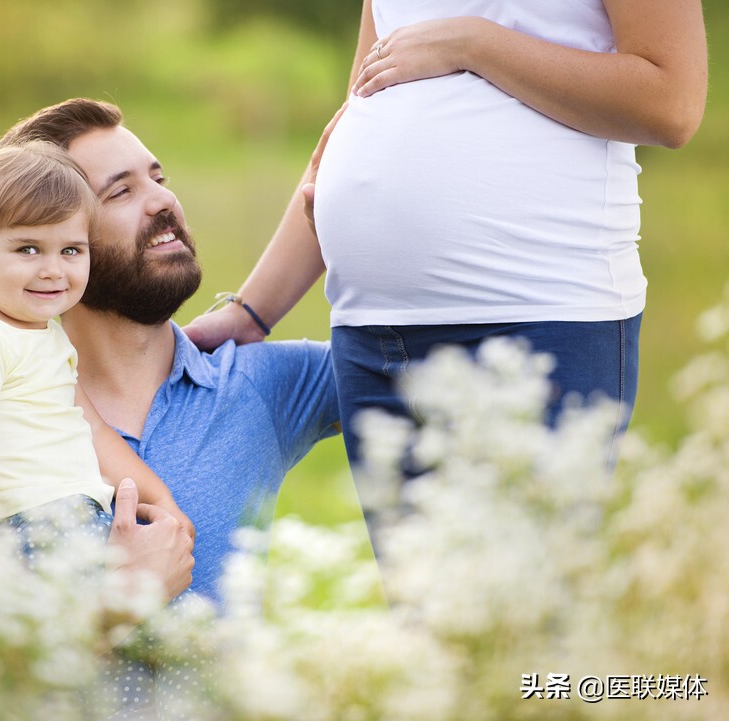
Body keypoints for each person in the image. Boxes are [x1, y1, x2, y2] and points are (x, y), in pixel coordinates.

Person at [184, 0, 708, 476]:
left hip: (539, 321)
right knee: (419, 583)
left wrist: (473, 44)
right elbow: (350, 123)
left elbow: (672, 101)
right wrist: (252, 311)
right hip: (373, 340)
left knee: (524, 579)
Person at [0, 99, 340, 609]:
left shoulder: (255, 385)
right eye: (121, 191)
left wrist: (344, 237)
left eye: (159, 178)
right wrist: (120, 607)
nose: (163, 201)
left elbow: (434, 360)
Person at [0, 140, 192, 568]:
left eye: (71, 250)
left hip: (82, 523)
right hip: (23, 533)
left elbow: (95, 433)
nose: (52, 269)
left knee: (168, 617)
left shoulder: (47, 336)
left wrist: (161, 500)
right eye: (28, 249)